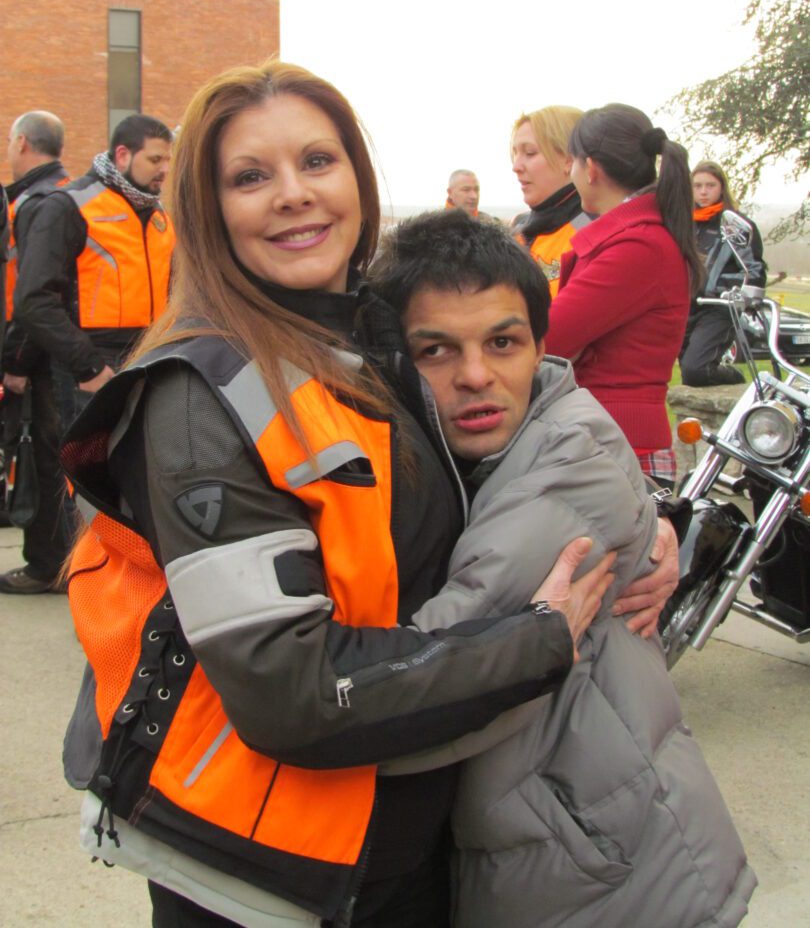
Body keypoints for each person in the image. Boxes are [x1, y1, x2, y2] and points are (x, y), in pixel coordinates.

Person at [59, 60, 620, 928]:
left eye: (318, 161)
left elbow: (481, 456)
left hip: (395, 832)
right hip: (266, 874)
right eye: (251, 177)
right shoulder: (197, 399)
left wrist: (636, 526)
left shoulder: (363, 340)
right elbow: (292, 692)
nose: (294, 194)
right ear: (208, 210)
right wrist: (535, 642)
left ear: (358, 178)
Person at [369, 210, 755, 928]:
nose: (476, 376)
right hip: (580, 839)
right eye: (436, 350)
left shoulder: (559, 472)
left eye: (503, 342)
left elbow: (410, 702)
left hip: (596, 869)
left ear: (541, 347)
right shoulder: (501, 448)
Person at [544, 105, 704, 485]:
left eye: (573, 162)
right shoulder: (637, 238)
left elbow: (549, 338)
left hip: (618, 445)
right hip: (608, 437)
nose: (571, 172)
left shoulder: (638, 246)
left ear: (591, 168)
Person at [11, 114, 175, 426]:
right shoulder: (69, 206)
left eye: (167, 160)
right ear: (123, 155)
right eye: (155, 159)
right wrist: (88, 367)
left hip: (151, 359)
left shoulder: (158, 214)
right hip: (94, 365)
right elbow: (33, 299)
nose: (164, 169)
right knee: (90, 456)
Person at [0, 111, 73, 595]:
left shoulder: (36, 202)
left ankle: (47, 565)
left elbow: (32, 294)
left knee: (41, 460)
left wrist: (16, 362)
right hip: (71, 350)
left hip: (42, 357)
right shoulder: (74, 194)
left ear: (22, 142)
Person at [680, 161, 767, 386]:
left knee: (695, 369)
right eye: (698, 185)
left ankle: (735, 378)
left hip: (718, 306)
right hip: (685, 305)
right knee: (688, 374)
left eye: (710, 185)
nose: (704, 191)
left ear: (721, 188)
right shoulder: (683, 223)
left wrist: (744, 295)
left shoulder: (736, 225)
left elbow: (755, 269)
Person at [510, 106, 591, 296]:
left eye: (530, 153)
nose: (516, 166)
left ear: (569, 160)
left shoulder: (589, 230)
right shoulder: (519, 228)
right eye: (515, 153)